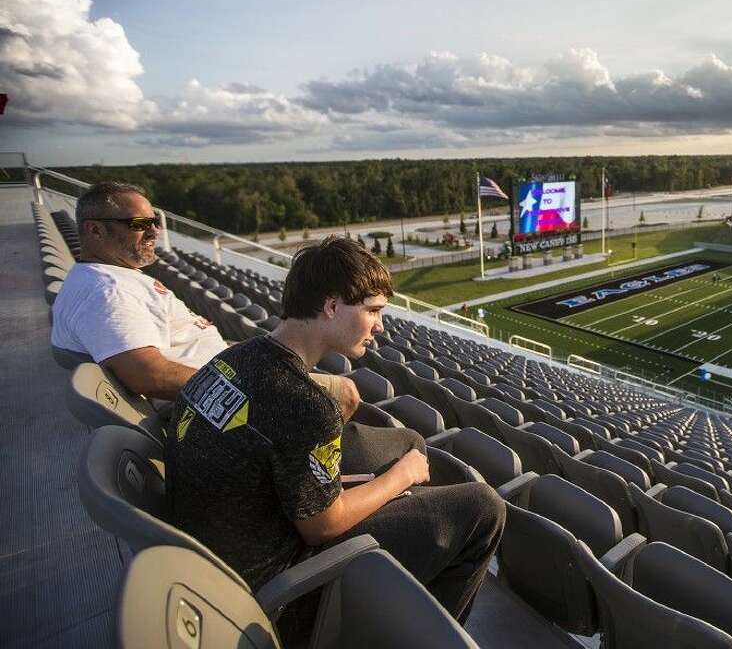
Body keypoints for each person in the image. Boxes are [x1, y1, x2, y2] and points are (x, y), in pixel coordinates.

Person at [165, 237, 505, 641]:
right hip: (280, 593)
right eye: (373, 311)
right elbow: (322, 527)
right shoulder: (304, 403)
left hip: (220, 555)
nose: (380, 326)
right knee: (484, 507)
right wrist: (402, 477)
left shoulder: (233, 358)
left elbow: (262, 463)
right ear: (331, 306)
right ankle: (421, 634)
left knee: (407, 442)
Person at [50, 182, 359, 418]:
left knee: (302, 366)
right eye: (139, 224)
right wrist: (248, 384)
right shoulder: (108, 292)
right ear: (95, 230)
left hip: (220, 377)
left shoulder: (109, 278)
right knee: (344, 392)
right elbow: (149, 375)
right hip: (214, 401)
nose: (155, 230)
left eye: (154, 220)